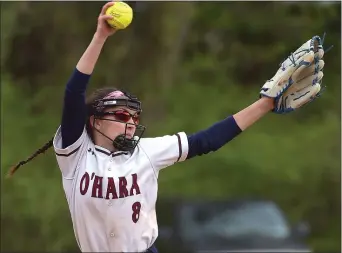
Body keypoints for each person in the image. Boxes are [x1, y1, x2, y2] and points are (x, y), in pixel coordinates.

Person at [8, 1, 325, 253]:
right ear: (94, 120)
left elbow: (207, 141)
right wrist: (100, 36)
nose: (130, 123)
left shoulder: (147, 151)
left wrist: (265, 104)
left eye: (133, 117)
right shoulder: (75, 153)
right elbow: (73, 93)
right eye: (120, 116)